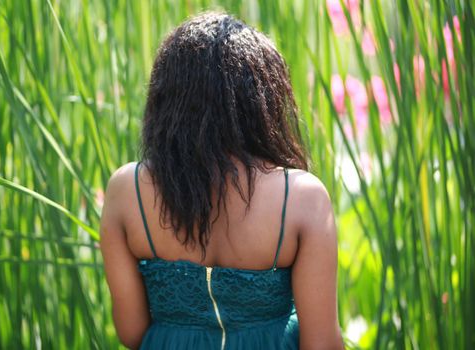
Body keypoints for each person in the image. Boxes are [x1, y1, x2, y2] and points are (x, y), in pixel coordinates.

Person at [100, 11, 344, 350]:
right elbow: (322, 345)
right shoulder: (302, 197)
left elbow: (132, 332)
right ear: (263, 100)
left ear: (166, 99)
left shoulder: (126, 191)